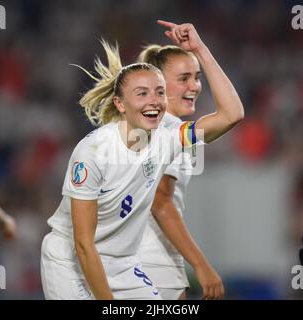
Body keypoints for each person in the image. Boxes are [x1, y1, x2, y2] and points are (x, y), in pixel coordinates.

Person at [41, 19, 243, 299]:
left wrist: (200, 49)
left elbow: (232, 115)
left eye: (159, 92)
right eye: (142, 94)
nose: (154, 101)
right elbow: (83, 244)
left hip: (122, 262)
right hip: (71, 261)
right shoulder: (93, 153)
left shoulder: (168, 138)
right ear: (120, 104)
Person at [137, 20, 234, 300]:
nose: (195, 86)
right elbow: (161, 201)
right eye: (183, 78)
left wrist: (200, 49)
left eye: (197, 76)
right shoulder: (164, 129)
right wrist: (202, 266)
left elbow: (231, 115)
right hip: (151, 255)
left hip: (141, 255)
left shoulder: (151, 126)